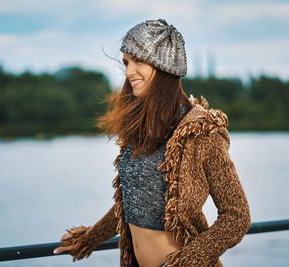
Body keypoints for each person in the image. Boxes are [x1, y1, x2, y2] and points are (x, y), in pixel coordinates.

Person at [53, 19, 251, 267]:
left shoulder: (201, 131)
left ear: (165, 65)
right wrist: (89, 238)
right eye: (126, 62)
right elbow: (133, 204)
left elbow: (237, 217)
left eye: (138, 61)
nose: (127, 72)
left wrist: (184, 263)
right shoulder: (140, 128)